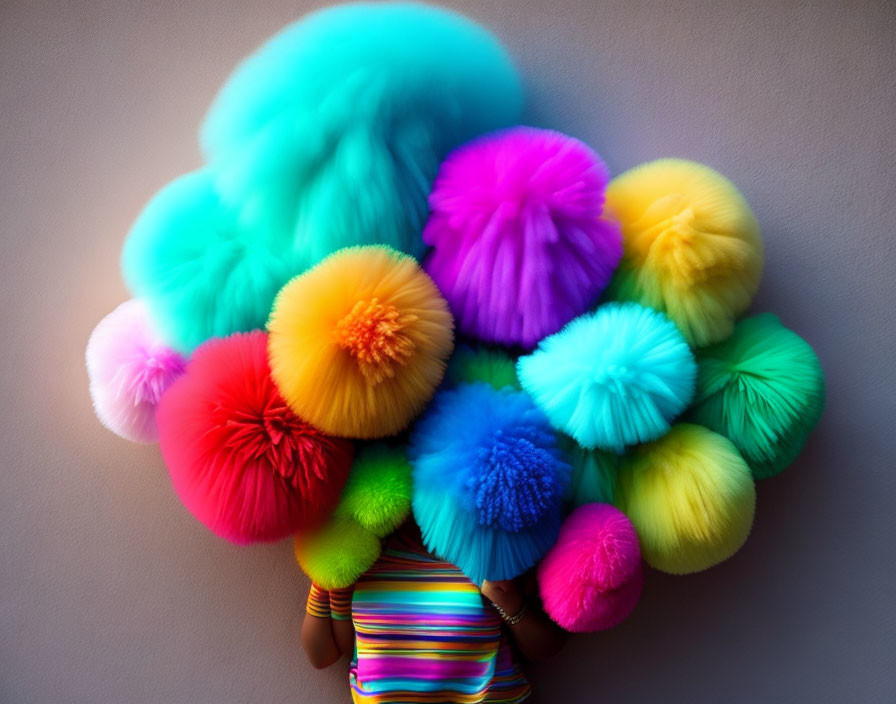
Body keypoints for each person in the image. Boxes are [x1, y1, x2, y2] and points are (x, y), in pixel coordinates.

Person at [301, 519, 567, 702]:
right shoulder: (364, 549)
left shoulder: (487, 543)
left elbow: (547, 648)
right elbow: (324, 656)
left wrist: (512, 604)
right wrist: (323, 576)